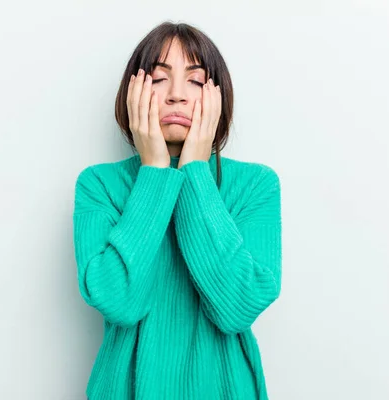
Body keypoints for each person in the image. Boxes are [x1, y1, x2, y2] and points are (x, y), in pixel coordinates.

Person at [73, 21, 282, 400]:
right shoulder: (99, 185)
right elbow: (119, 302)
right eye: (158, 78)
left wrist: (195, 173)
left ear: (218, 96)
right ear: (133, 92)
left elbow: (238, 306)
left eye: (196, 80)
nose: (176, 95)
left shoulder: (255, 185)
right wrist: (153, 172)